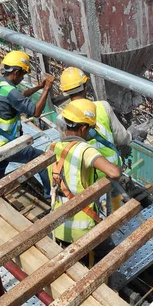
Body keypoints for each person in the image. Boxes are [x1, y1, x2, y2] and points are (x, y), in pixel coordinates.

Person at [49, 99, 121, 252]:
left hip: (59, 227)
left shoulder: (54, 148)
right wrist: (117, 167)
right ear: (82, 128)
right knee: (110, 257)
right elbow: (113, 173)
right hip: (83, 231)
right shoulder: (84, 149)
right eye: (89, 129)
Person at [0, 50, 54, 197]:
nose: (23, 78)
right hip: (5, 146)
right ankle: (50, 194)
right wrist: (46, 89)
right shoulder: (11, 92)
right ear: (16, 72)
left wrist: (38, 87)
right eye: (23, 74)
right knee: (42, 159)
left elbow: (19, 97)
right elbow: (36, 112)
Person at [56, 67, 132, 211]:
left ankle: (98, 217)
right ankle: (113, 216)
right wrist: (130, 136)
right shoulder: (103, 106)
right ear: (85, 86)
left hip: (89, 173)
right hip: (112, 168)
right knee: (114, 196)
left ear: (65, 91)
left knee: (93, 199)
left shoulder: (62, 118)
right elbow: (122, 138)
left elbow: (68, 146)